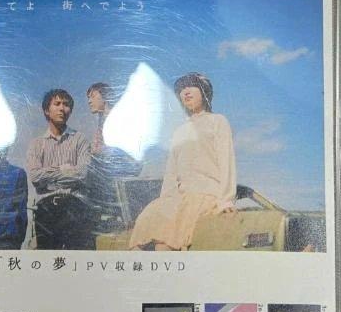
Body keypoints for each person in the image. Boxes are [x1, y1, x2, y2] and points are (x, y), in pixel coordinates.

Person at [130, 72, 237, 251]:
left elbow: (227, 162)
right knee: (139, 238)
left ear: (204, 91)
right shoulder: (179, 131)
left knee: (164, 246)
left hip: (206, 197)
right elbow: (171, 172)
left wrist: (225, 200)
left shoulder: (217, 121)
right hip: (178, 200)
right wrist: (165, 201)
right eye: (181, 89)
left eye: (191, 86)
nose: (185, 92)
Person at [25, 88, 94, 250]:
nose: (62, 108)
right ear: (46, 110)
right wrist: (65, 169)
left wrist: (48, 175)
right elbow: (35, 177)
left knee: (77, 260)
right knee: (48, 260)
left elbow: (82, 173)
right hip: (46, 209)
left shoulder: (80, 140)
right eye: (57, 104)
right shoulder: (36, 144)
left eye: (66, 104)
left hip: (75, 207)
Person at [85, 82, 142, 233]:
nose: (89, 101)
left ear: (105, 97)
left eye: (93, 96)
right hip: (109, 178)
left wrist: (100, 152)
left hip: (122, 174)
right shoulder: (102, 120)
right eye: (88, 98)